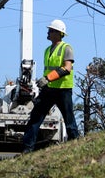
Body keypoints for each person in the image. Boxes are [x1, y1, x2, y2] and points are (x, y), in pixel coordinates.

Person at [23, 19, 80, 152]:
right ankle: (27, 150)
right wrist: (43, 82)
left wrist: (47, 78)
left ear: (59, 33)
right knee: (35, 117)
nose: (48, 32)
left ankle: (76, 147)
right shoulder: (47, 50)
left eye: (51, 30)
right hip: (49, 89)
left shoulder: (67, 48)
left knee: (69, 121)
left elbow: (67, 68)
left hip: (63, 90)